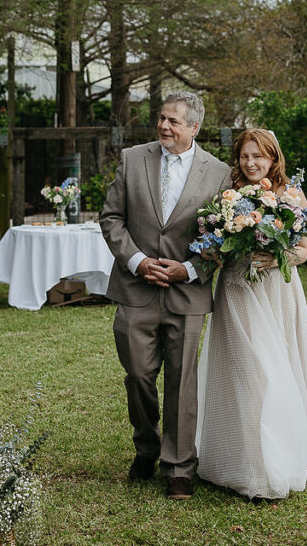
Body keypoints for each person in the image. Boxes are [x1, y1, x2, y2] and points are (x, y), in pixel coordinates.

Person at [196, 128, 307, 500]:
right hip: (236, 288)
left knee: (277, 366)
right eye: (245, 156)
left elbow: (304, 249)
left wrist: (277, 256)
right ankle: (241, 454)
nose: (251, 163)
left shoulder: (290, 194)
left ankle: (276, 454)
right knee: (244, 367)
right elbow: (213, 238)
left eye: (258, 157)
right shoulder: (228, 194)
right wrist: (218, 249)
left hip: (277, 290)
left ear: (273, 158)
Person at [100, 91, 232, 500]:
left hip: (187, 293)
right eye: (161, 118)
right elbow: (111, 218)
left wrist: (190, 269)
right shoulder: (133, 158)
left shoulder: (220, 173)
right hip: (135, 288)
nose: (164, 126)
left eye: (174, 121)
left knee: (182, 381)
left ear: (194, 127)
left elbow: (225, 235)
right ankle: (146, 446)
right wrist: (137, 260)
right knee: (138, 375)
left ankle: (179, 467)